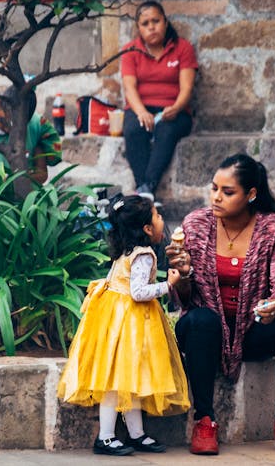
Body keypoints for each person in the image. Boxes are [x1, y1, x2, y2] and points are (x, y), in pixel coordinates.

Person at [165, 153, 275, 456]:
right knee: (201, 321)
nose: (216, 198)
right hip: (206, 334)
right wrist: (182, 275)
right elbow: (183, 300)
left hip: (251, 331)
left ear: (251, 194)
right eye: (214, 188)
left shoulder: (274, 229)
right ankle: (204, 420)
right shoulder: (196, 224)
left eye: (227, 192)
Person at [57, 195, 190, 456]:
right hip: (128, 323)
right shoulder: (143, 255)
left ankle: (136, 433)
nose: (162, 221)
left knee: (131, 380)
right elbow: (138, 292)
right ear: (147, 229)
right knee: (116, 383)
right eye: (158, 217)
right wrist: (169, 285)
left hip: (114, 318)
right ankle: (105, 437)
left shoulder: (127, 249)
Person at [120, 0, 198, 204]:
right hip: (140, 107)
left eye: (156, 21)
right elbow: (129, 88)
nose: (151, 27)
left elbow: (187, 88)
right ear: (138, 28)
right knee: (133, 130)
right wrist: (141, 112)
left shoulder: (183, 48)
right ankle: (144, 189)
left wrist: (177, 107)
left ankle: (147, 187)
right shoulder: (130, 51)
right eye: (145, 23)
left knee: (166, 130)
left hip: (175, 110)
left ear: (165, 22)